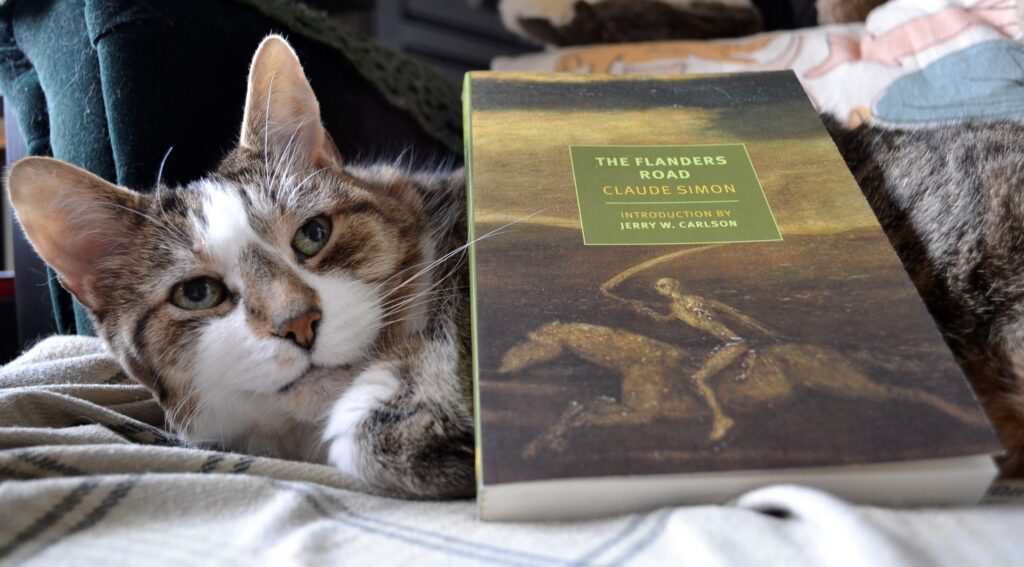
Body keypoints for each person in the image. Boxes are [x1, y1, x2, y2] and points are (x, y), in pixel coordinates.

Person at [631, 277, 780, 441]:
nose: (659, 289)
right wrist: (644, 310)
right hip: (730, 342)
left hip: (734, 343)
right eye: (657, 287)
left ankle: (721, 419)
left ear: (675, 284)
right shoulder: (682, 306)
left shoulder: (691, 304)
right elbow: (663, 319)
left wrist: (768, 333)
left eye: (662, 285)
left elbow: (734, 317)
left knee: (699, 379)